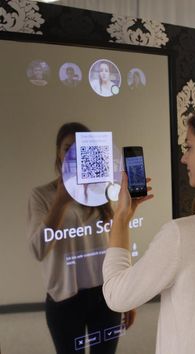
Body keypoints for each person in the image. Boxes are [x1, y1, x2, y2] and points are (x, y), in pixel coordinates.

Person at [102, 98, 195, 354]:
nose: (184, 159)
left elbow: (117, 296)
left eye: (190, 147)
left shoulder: (182, 235)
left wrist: (120, 219)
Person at [27, 122, 135, 354]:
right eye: (68, 149)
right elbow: (38, 250)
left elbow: (119, 241)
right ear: (58, 151)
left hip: (106, 293)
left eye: (80, 149)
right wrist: (61, 202)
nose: (73, 156)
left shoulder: (104, 192)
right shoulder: (42, 195)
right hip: (64, 298)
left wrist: (128, 293)